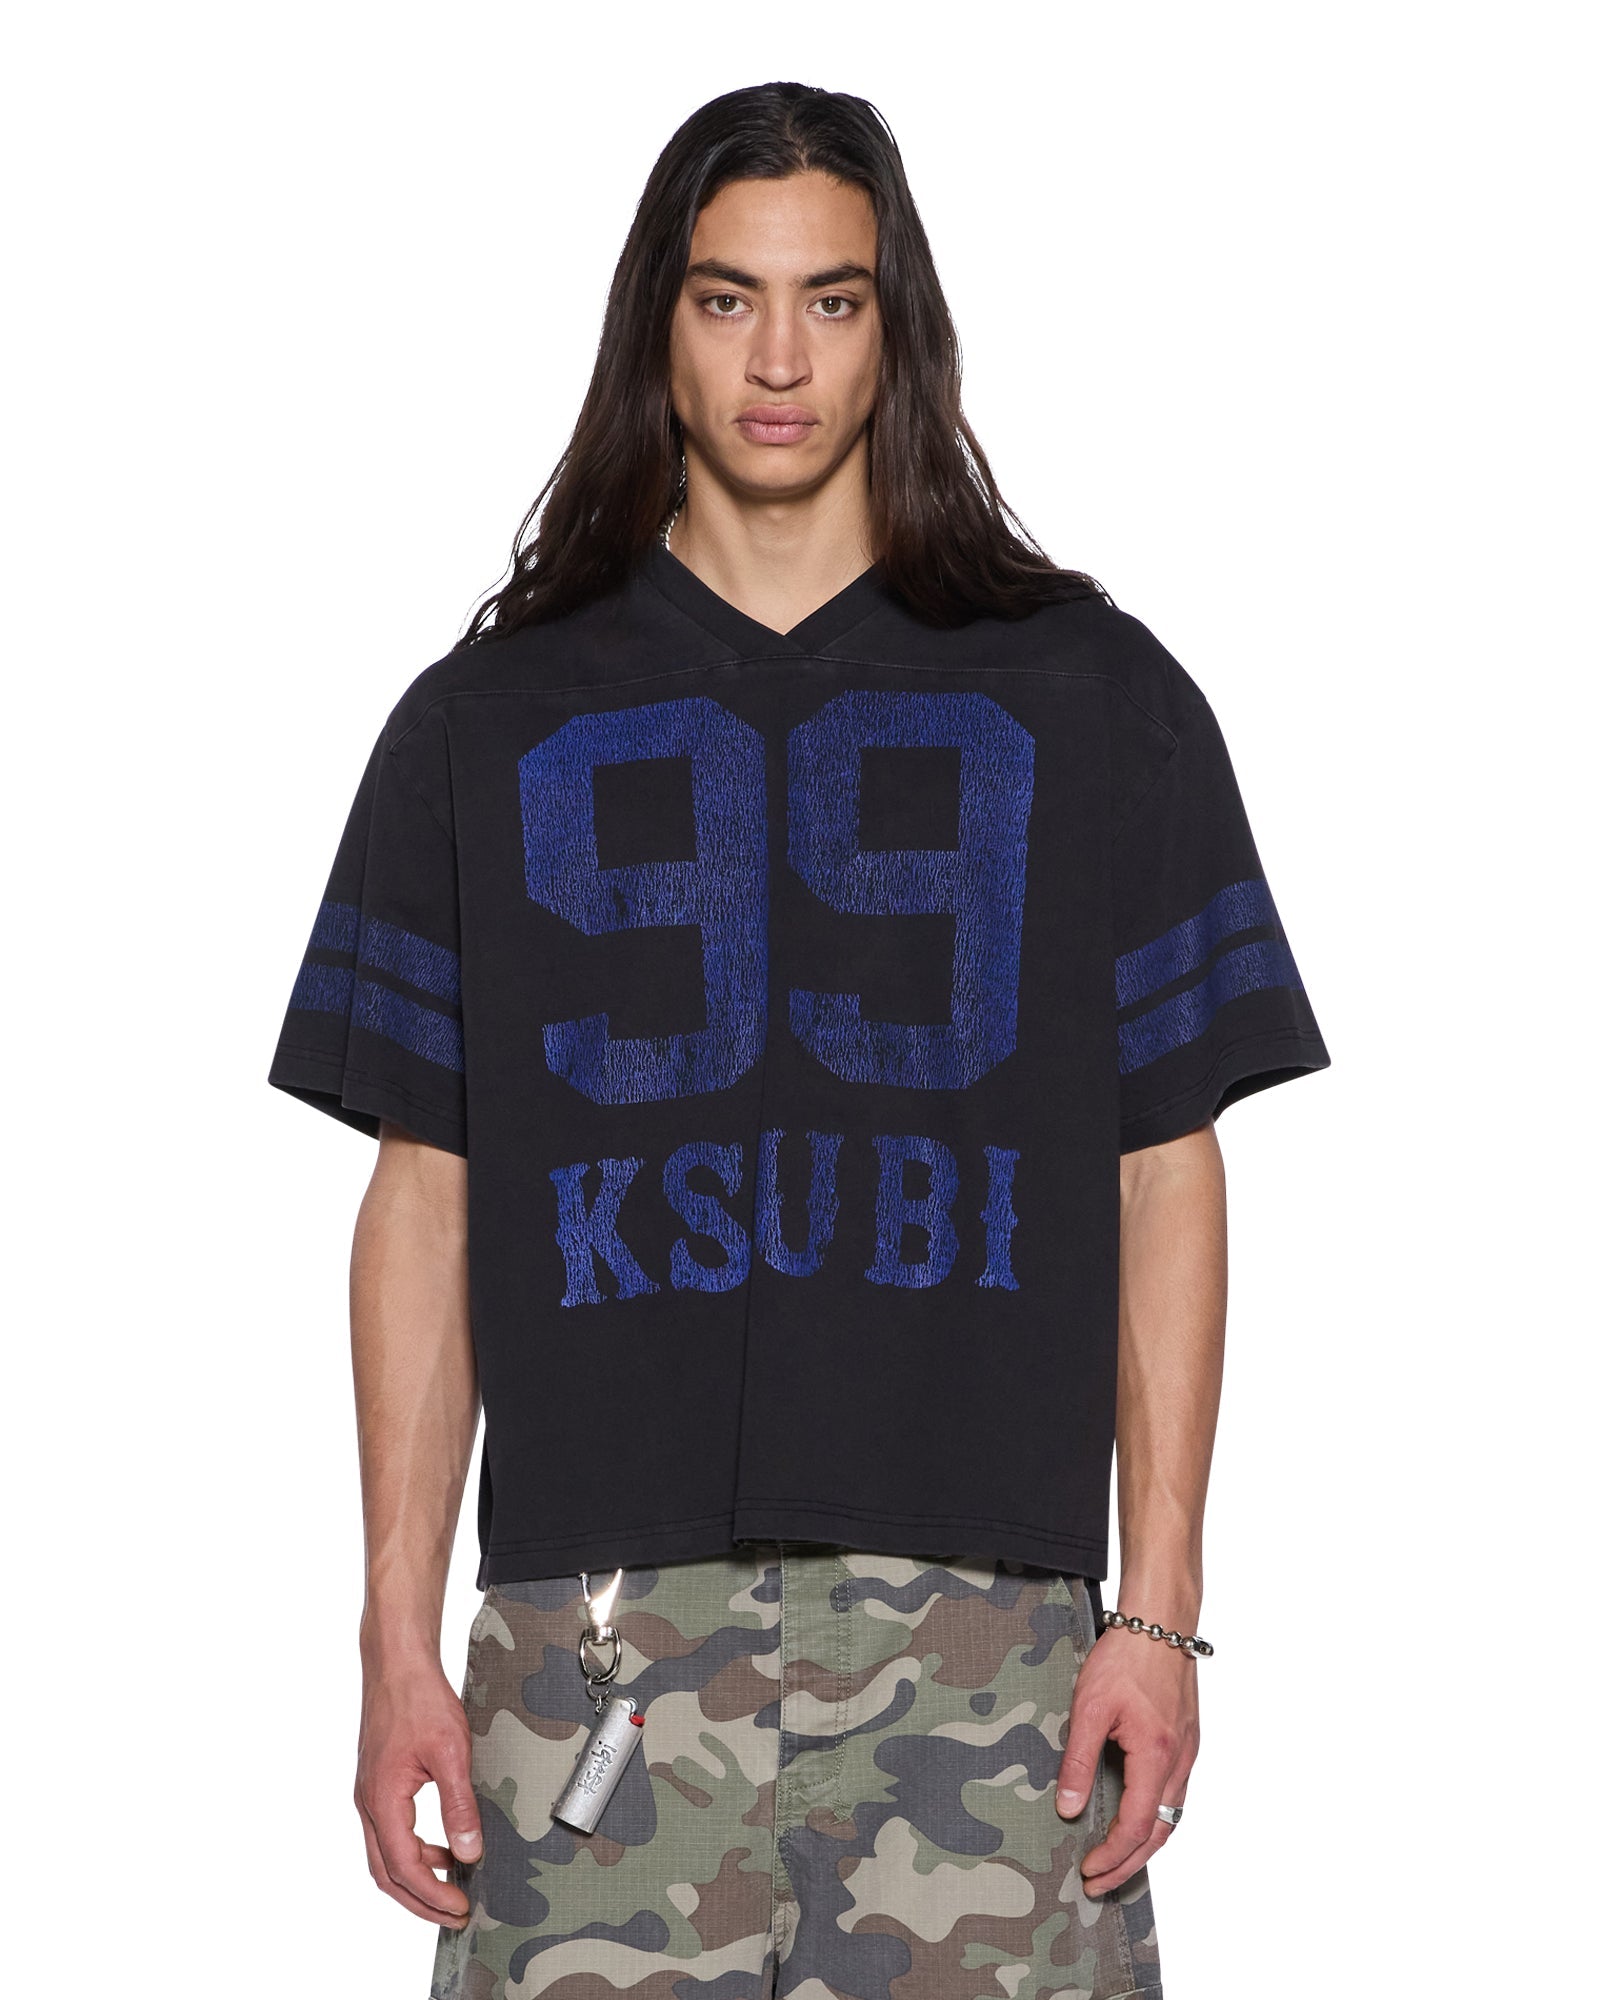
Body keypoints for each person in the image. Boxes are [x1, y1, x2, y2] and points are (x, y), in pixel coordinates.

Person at [267, 80, 1330, 2000]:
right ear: (657, 324)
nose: (779, 361)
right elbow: (427, 1190)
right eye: (727, 299)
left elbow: (1162, 1159)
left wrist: (1161, 1614)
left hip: (992, 1649)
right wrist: (393, 1636)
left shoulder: (1095, 699)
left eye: (832, 301)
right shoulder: (483, 726)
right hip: (592, 1651)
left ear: (896, 325)